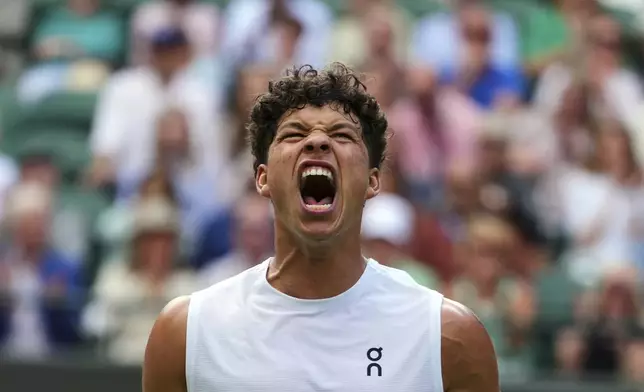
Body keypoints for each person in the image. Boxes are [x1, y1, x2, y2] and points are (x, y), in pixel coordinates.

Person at [142, 64, 499, 392]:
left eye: (342, 135)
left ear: (373, 182)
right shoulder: (187, 333)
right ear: (262, 178)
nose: (317, 141)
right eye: (294, 134)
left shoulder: (448, 337)